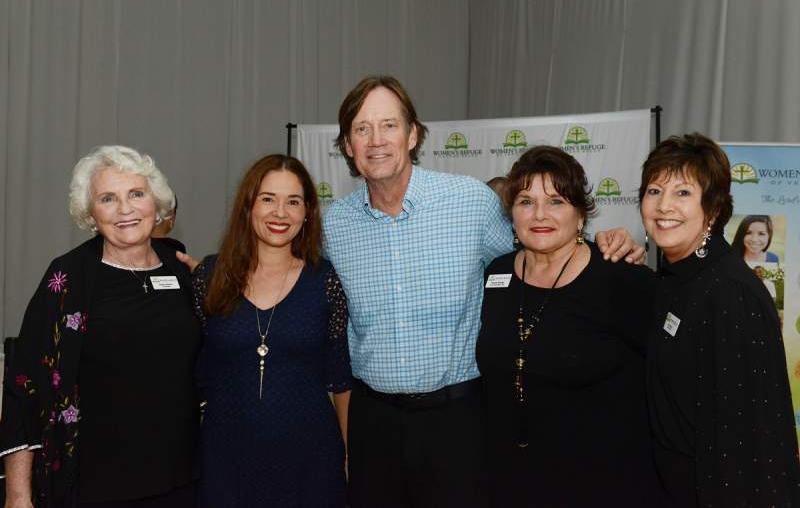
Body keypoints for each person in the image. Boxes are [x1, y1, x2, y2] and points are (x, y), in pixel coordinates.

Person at [322, 75, 644, 508]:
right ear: (347, 144)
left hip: (457, 423)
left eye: (389, 125)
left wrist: (605, 243)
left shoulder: (471, 203)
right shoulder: (334, 224)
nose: (376, 140)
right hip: (373, 421)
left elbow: (538, 246)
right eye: (362, 128)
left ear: (413, 134)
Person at [1, 146, 201, 507]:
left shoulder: (180, 268)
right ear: (90, 213)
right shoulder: (68, 278)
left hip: (182, 480)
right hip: (95, 484)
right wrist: (18, 496)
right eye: (108, 198)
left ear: (156, 203)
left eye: (136, 194)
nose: (125, 209)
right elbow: (24, 382)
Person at [477, 146, 662, 507]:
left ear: (580, 216)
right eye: (526, 201)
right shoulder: (495, 275)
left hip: (603, 484)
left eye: (556, 201)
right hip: (512, 481)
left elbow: (672, 379)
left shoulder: (622, 279)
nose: (539, 214)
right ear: (511, 214)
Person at [639, 133, 800, 506]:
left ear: (712, 209)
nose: (664, 206)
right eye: (654, 191)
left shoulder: (731, 293)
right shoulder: (673, 278)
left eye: (682, 193)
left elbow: (750, 441)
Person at [191, 154, 352, 508]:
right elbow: (194, 368)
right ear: (248, 207)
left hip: (310, 461)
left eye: (293, 202)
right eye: (268, 199)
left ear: (308, 211)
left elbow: (341, 379)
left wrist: (347, 455)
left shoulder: (326, 281)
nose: (280, 213)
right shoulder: (209, 277)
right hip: (226, 459)